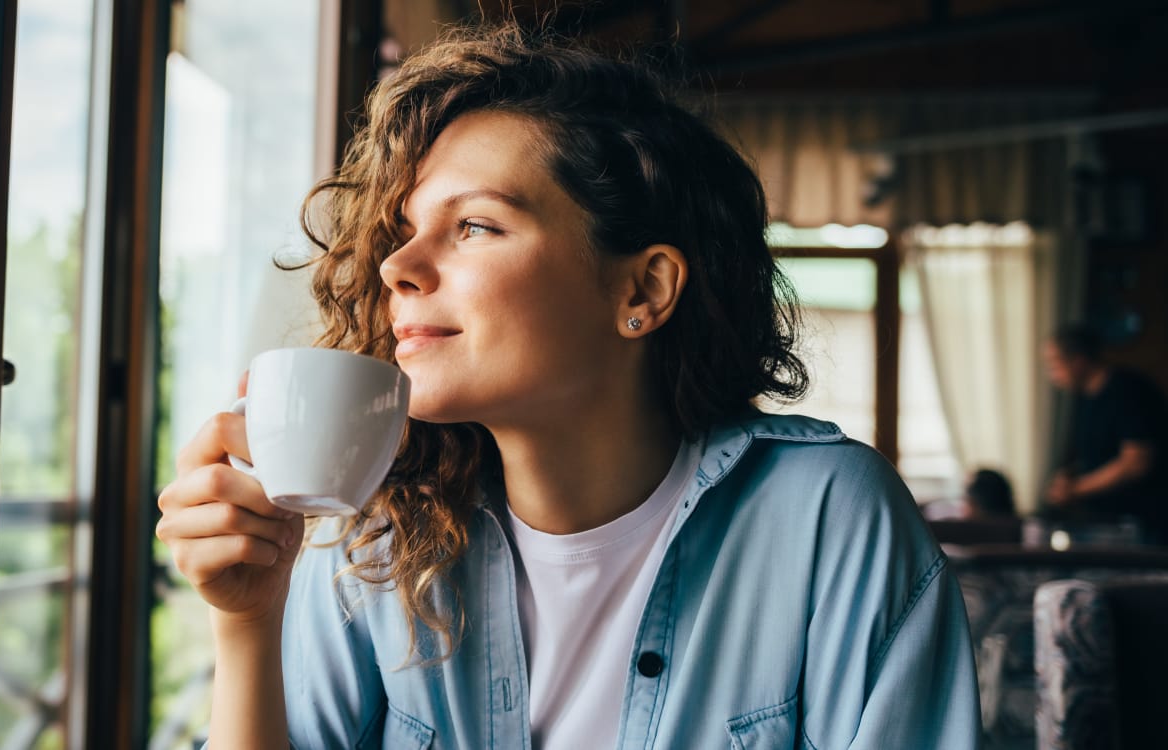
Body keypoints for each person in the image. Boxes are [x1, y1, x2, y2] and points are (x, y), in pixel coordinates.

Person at [157, 26, 979, 748]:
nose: (397, 268)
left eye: (474, 226)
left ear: (642, 291)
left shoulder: (828, 517)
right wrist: (246, 623)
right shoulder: (382, 537)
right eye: (405, 234)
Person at [1044, 324, 1168, 543]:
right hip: (1107, 521)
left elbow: (1136, 462)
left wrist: (1076, 489)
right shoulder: (1085, 399)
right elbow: (1100, 455)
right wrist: (1069, 477)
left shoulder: (1126, 390)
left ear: (1078, 361)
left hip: (1143, 525)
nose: (1051, 374)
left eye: (1054, 364)